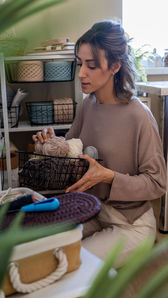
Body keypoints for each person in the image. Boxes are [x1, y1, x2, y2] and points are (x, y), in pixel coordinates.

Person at [32, 20, 166, 266]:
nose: (81, 73)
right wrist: (50, 142)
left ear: (115, 66)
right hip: (92, 209)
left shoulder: (139, 117)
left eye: (91, 66)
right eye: (80, 64)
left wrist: (109, 176)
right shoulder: (87, 105)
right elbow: (72, 149)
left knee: (68, 262)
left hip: (131, 224)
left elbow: (157, 183)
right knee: (43, 249)